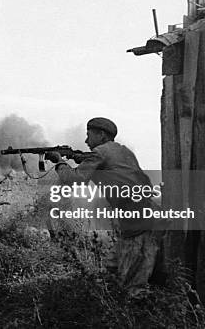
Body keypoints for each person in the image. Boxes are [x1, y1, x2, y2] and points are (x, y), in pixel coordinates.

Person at [45, 117, 159, 293]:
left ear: (101, 135)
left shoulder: (100, 153)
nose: (86, 141)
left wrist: (60, 162)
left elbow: (74, 180)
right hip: (143, 217)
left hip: (136, 224)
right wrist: (79, 157)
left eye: (89, 135)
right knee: (110, 276)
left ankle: (133, 315)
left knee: (132, 287)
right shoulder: (123, 151)